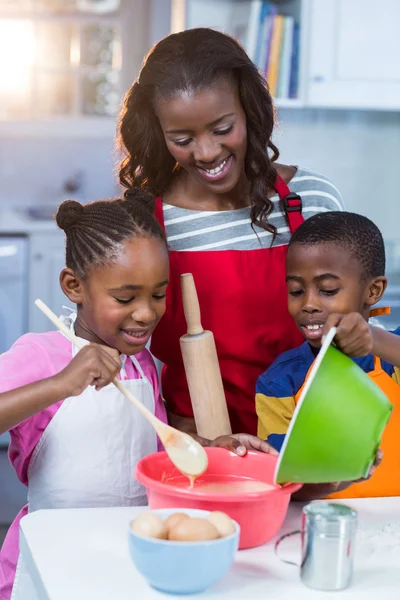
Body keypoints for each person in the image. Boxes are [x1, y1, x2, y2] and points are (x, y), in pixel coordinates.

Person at [117, 27, 344, 440]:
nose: (205, 153)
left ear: (249, 110)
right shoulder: (148, 219)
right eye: (182, 139)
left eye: (222, 129)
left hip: (308, 436)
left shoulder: (310, 198)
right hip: (195, 446)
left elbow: (346, 324)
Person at [0, 193, 171, 599]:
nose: (146, 313)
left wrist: (211, 448)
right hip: (49, 562)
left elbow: (154, 450)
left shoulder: (143, 363)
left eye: (158, 294)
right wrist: (61, 383)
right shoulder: (42, 355)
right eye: (125, 298)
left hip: (125, 564)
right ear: (74, 286)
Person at [256, 211, 399, 499]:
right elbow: (282, 482)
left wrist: (373, 340)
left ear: (373, 291)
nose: (308, 304)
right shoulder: (280, 382)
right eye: (296, 291)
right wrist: (337, 480)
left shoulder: (390, 357)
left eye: (328, 290)